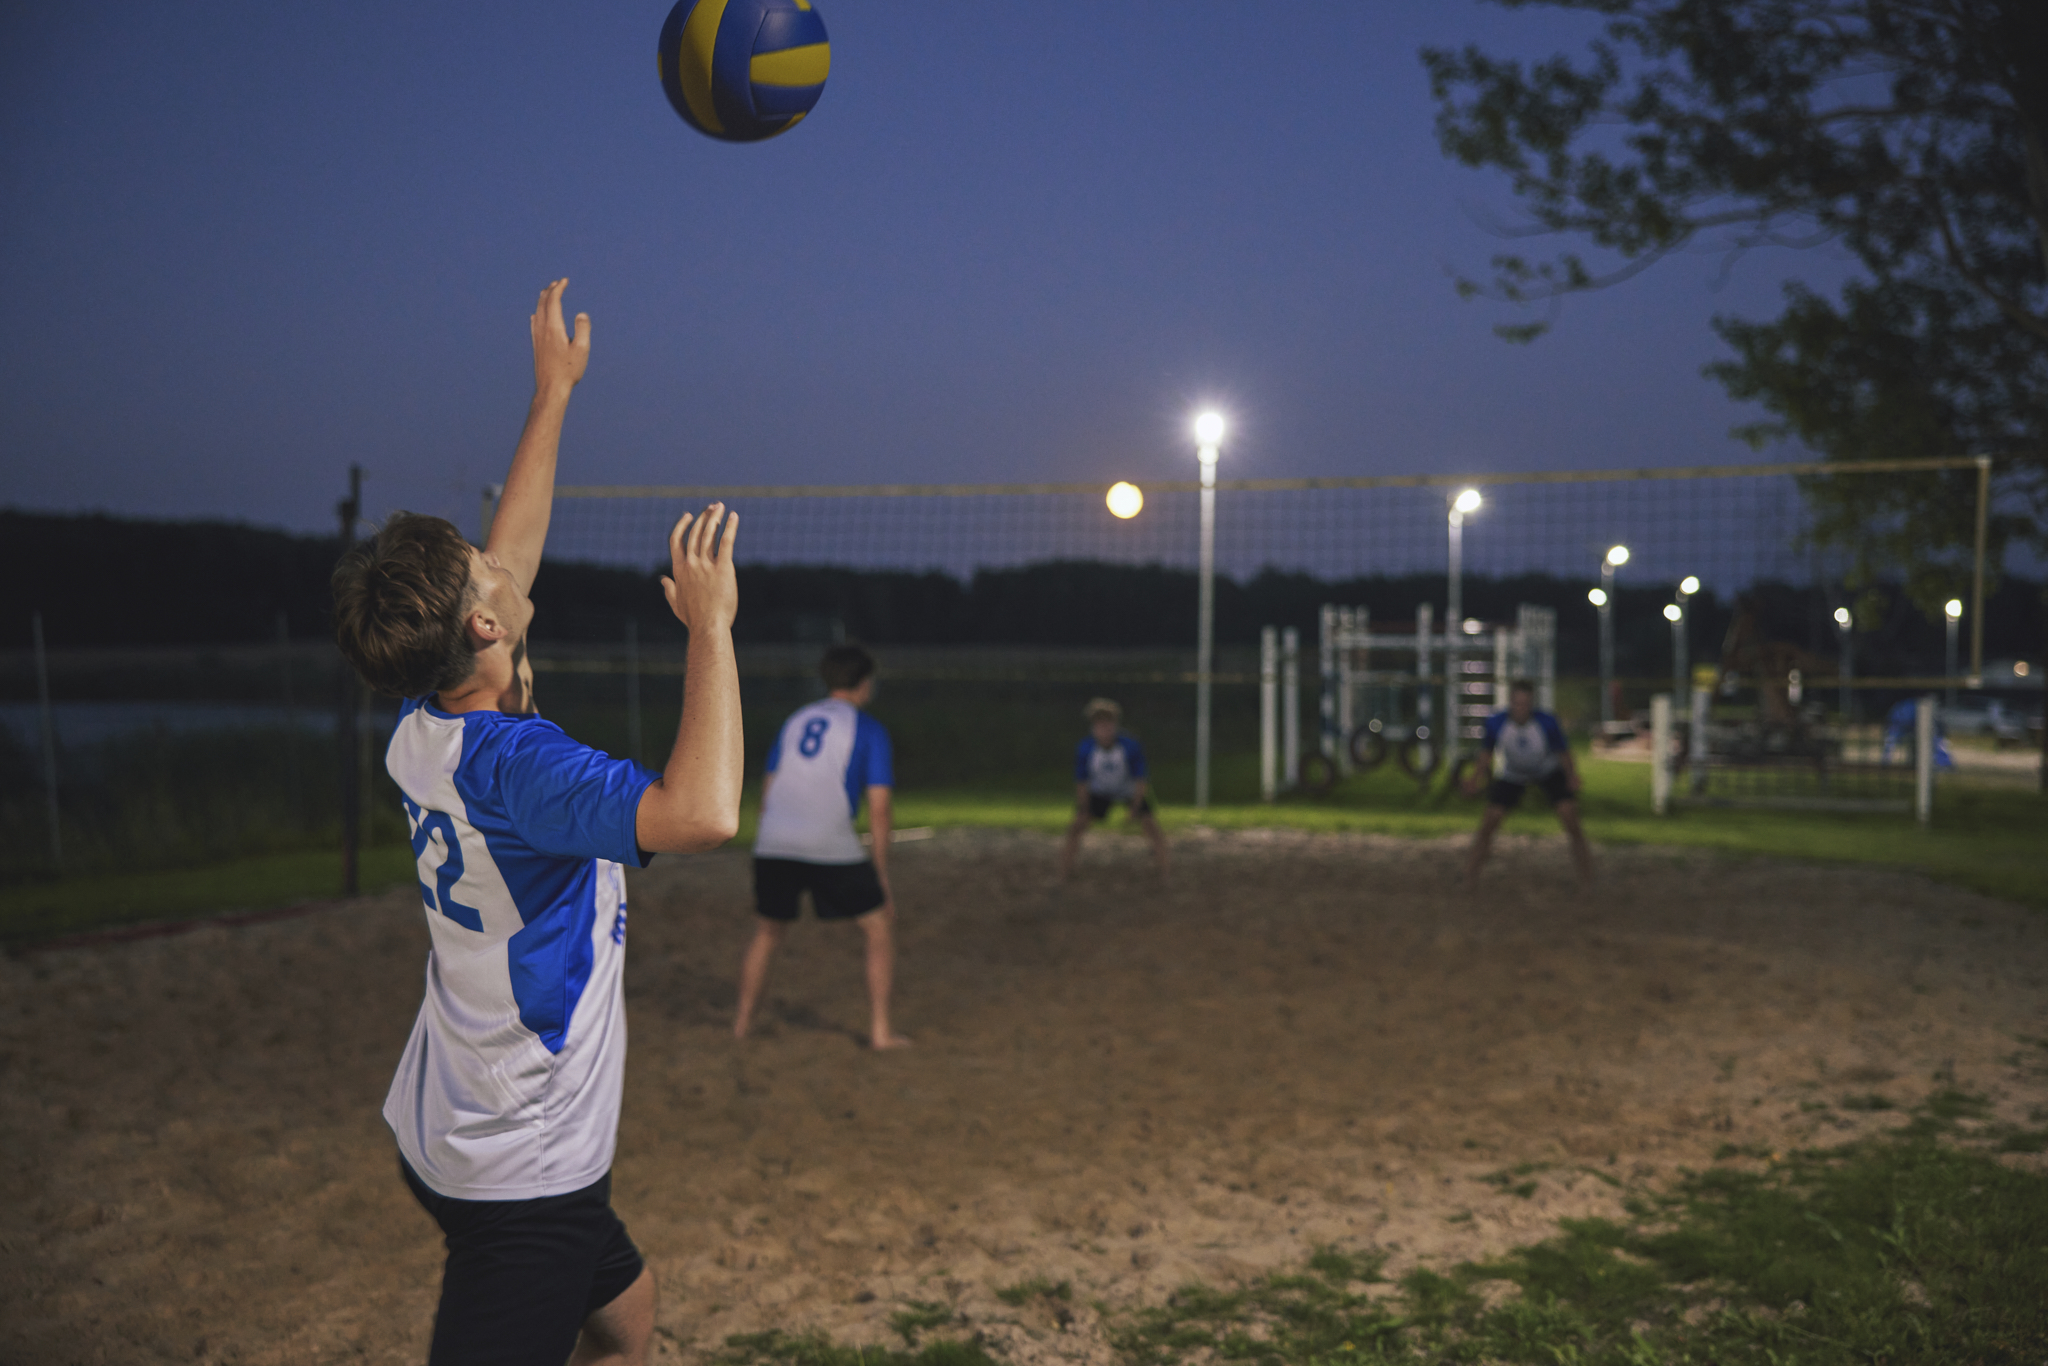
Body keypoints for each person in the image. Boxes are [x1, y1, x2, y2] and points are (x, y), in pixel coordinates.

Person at [331, 280, 744, 1366]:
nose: (499, 558)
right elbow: (700, 813)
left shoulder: (422, 724)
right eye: (483, 569)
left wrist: (551, 394)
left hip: (450, 1117)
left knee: (629, 1315)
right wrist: (711, 630)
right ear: (482, 619)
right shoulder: (521, 766)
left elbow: (512, 549)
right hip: (524, 1169)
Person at [734, 643, 909, 1049]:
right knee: (878, 926)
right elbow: (880, 810)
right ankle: (880, 1030)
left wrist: (770, 838)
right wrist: (881, 874)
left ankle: (741, 1025)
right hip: (828, 841)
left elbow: (769, 789)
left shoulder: (797, 719)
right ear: (864, 684)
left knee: (768, 931)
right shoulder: (867, 729)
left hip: (774, 839)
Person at [1460, 679, 1592, 884]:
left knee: (1570, 817)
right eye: (1518, 703)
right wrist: (1474, 780)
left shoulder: (1546, 722)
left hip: (1546, 771)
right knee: (1490, 820)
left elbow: (1563, 753)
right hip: (1513, 774)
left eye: (1526, 704)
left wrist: (1571, 776)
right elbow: (1486, 754)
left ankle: (1588, 877)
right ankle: (1470, 876)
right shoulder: (1496, 722)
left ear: (1532, 704)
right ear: (1510, 702)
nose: (1521, 709)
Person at [1059, 698, 1169, 880]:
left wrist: (1136, 805)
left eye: (1108, 723)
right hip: (1100, 791)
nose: (1104, 728)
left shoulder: (1129, 746)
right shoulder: (1086, 748)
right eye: (1099, 724)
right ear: (1093, 727)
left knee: (1152, 826)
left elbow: (1141, 779)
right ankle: (1065, 872)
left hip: (1127, 790)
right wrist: (1084, 807)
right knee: (1076, 827)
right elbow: (1081, 781)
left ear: (1115, 724)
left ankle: (1164, 872)